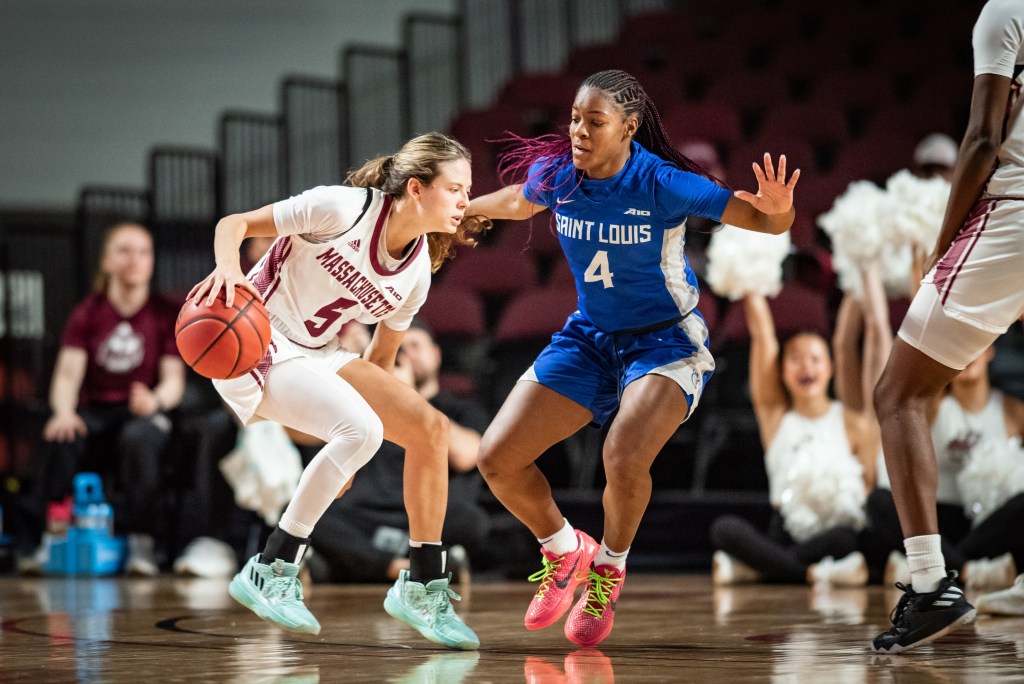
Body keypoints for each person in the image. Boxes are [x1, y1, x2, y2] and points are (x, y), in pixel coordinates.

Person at [466, 69, 799, 646]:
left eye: (594, 122)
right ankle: (565, 550)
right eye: (574, 118)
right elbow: (518, 202)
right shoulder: (560, 175)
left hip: (665, 341)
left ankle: (609, 571)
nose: (578, 131)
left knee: (621, 453)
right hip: (590, 337)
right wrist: (464, 211)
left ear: (629, 127)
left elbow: (764, 222)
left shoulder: (662, 183)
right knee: (496, 458)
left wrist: (780, 210)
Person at [187, 132, 488, 650]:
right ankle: (272, 567)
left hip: (318, 351)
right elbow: (232, 225)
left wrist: (345, 457)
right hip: (257, 338)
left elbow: (381, 362)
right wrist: (229, 272)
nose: (465, 201)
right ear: (416, 189)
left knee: (430, 431)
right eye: (455, 188)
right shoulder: (340, 207)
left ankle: (420, 584)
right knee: (362, 429)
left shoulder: (415, 272)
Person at [870, 0, 1024, 654]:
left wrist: (941, 243)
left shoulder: (1005, 10)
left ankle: (931, 583)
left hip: (1013, 219)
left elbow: (984, 140)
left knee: (897, 395)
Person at [29, 222, 185, 576]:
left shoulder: (163, 314)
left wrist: (155, 401)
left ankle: (142, 545)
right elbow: (68, 375)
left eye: (143, 252)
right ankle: (51, 541)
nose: (135, 260)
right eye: (124, 250)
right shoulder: (88, 312)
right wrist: (64, 412)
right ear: (106, 261)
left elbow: (173, 382)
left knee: (140, 439)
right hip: (96, 412)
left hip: (140, 412)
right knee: (62, 436)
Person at [709, 277, 881, 587]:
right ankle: (812, 573)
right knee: (724, 528)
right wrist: (749, 274)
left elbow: (868, 485)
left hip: (838, 532)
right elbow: (763, 337)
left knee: (845, 539)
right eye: (795, 359)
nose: (806, 367)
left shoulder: (853, 421)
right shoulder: (776, 418)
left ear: (829, 368)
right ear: (782, 371)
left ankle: (760, 568)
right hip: (787, 531)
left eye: (815, 358)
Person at [308, 319, 490, 583]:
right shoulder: (370, 403)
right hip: (366, 512)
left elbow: (466, 456)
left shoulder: (462, 408)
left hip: (424, 513)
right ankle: (403, 567)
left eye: (415, 346)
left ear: (436, 354)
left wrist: (407, 396)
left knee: (472, 522)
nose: (406, 354)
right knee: (310, 511)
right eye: (399, 348)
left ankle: (352, 565)